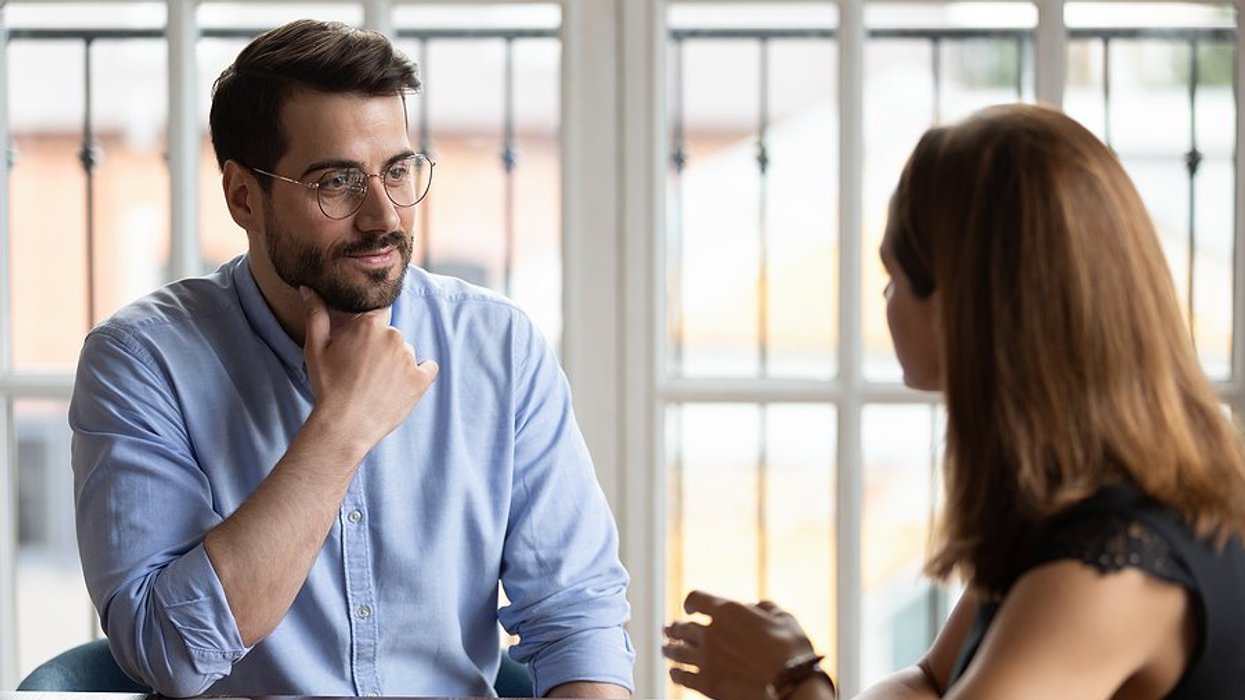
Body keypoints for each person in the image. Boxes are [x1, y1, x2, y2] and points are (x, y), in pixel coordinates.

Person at [71, 19, 633, 699]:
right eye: (335, 182)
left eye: (397, 171)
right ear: (243, 195)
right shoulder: (141, 362)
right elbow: (170, 655)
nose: (383, 215)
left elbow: (576, 620)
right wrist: (340, 432)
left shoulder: (498, 347)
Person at [663, 103, 1245, 699]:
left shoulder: (1106, 570)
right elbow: (930, 680)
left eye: (893, 277)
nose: (884, 301)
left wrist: (790, 684)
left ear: (958, 308)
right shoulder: (1075, 506)